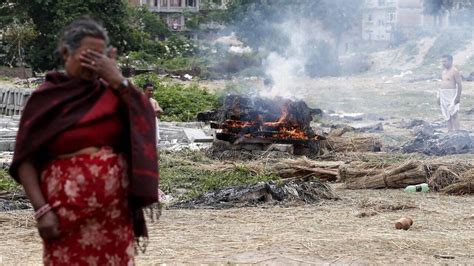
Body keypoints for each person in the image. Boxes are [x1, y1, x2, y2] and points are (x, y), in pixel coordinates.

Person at [9, 18, 159, 265]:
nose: (94, 65)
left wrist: (117, 80)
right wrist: (42, 210)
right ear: (66, 52)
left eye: (100, 58)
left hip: (114, 215)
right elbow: (25, 159)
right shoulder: (47, 98)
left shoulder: (113, 94)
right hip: (64, 214)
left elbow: (143, 118)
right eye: (88, 56)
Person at [438, 54, 463, 132]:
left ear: (450, 61)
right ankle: (450, 132)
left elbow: (459, 84)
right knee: (447, 115)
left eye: (445, 61)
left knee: (454, 113)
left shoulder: (454, 71)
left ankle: (457, 132)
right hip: (443, 94)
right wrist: (438, 96)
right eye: (442, 61)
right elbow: (440, 84)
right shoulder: (443, 71)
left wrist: (458, 97)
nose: (443, 63)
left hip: (451, 94)